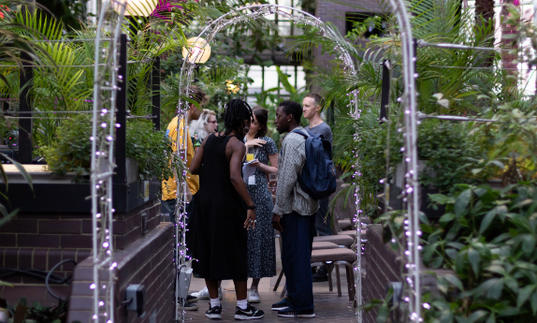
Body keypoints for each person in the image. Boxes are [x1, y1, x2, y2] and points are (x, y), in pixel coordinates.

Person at [189, 99, 264, 320]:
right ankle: (242, 308)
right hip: (227, 207)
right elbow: (234, 176)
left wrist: (210, 168)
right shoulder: (236, 145)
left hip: (203, 205)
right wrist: (250, 204)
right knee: (236, 253)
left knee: (209, 252)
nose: (248, 126)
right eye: (247, 122)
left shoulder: (210, 140)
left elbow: (193, 167)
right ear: (241, 121)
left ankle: (214, 307)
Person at [160, 85, 207, 311]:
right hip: (176, 194)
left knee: (182, 246)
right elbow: (178, 161)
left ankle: (181, 293)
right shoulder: (179, 126)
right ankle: (178, 295)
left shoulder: (179, 125)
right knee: (179, 246)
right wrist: (185, 192)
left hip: (177, 192)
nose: (202, 110)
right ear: (193, 104)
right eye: (201, 104)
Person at [271, 100, 318, 318]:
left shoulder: (292, 140)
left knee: (297, 257)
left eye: (278, 115)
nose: (275, 119)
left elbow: (287, 178)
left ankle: (302, 306)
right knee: (293, 256)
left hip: (296, 208)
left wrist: (278, 209)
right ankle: (293, 298)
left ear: (290, 117)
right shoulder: (305, 136)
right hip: (305, 206)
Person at [243, 106, 278, 303]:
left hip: (260, 196)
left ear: (261, 125)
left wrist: (260, 165)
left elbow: (275, 168)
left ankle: (254, 286)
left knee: (259, 239)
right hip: (241, 195)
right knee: (241, 239)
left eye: (255, 122)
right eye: (249, 121)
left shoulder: (268, 143)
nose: (250, 125)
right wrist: (247, 144)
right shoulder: (239, 140)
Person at [302, 93, 335, 282]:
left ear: (317, 108)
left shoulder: (324, 129)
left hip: (319, 182)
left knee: (321, 222)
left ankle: (326, 265)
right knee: (313, 224)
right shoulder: (306, 128)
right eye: (303, 106)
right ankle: (316, 264)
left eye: (308, 106)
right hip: (309, 182)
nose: (304, 109)